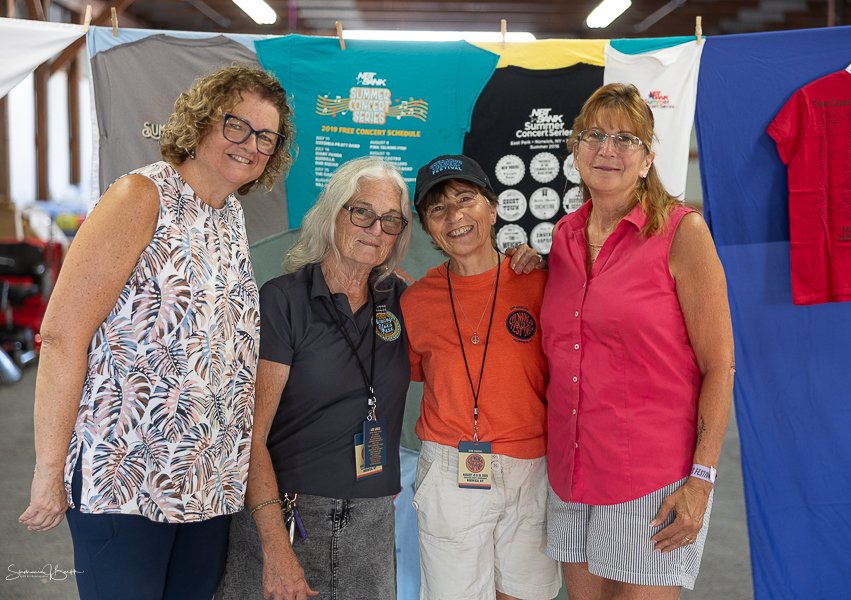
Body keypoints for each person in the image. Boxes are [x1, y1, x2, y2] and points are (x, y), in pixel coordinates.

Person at [17, 64, 295, 598]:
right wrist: (49, 471)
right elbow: (63, 336)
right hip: (125, 480)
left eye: (266, 136)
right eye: (236, 125)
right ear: (202, 121)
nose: (251, 145)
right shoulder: (140, 196)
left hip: (206, 485)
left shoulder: (229, 215)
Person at [541, 82, 735, 599]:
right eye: (594, 136)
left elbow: (720, 366)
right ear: (576, 149)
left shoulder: (682, 234)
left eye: (625, 139)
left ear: (648, 159)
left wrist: (701, 480)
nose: (607, 149)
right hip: (572, 473)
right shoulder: (564, 237)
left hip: (651, 481)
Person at [216, 156, 413, 600]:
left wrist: (522, 262)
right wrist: (275, 549)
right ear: (332, 213)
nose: (376, 229)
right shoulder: (284, 300)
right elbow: (251, 437)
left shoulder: (403, 300)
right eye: (362, 212)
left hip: (371, 526)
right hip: (290, 517)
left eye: (390, 220)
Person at [401, 155, 562, 600]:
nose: (454, 216)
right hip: (450, 466)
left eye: (465, 199)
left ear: (492, 209)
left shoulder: (539, 282)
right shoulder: (415, 301)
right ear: (427, 228)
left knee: (526, 594)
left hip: (532, 464)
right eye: (437, 209)